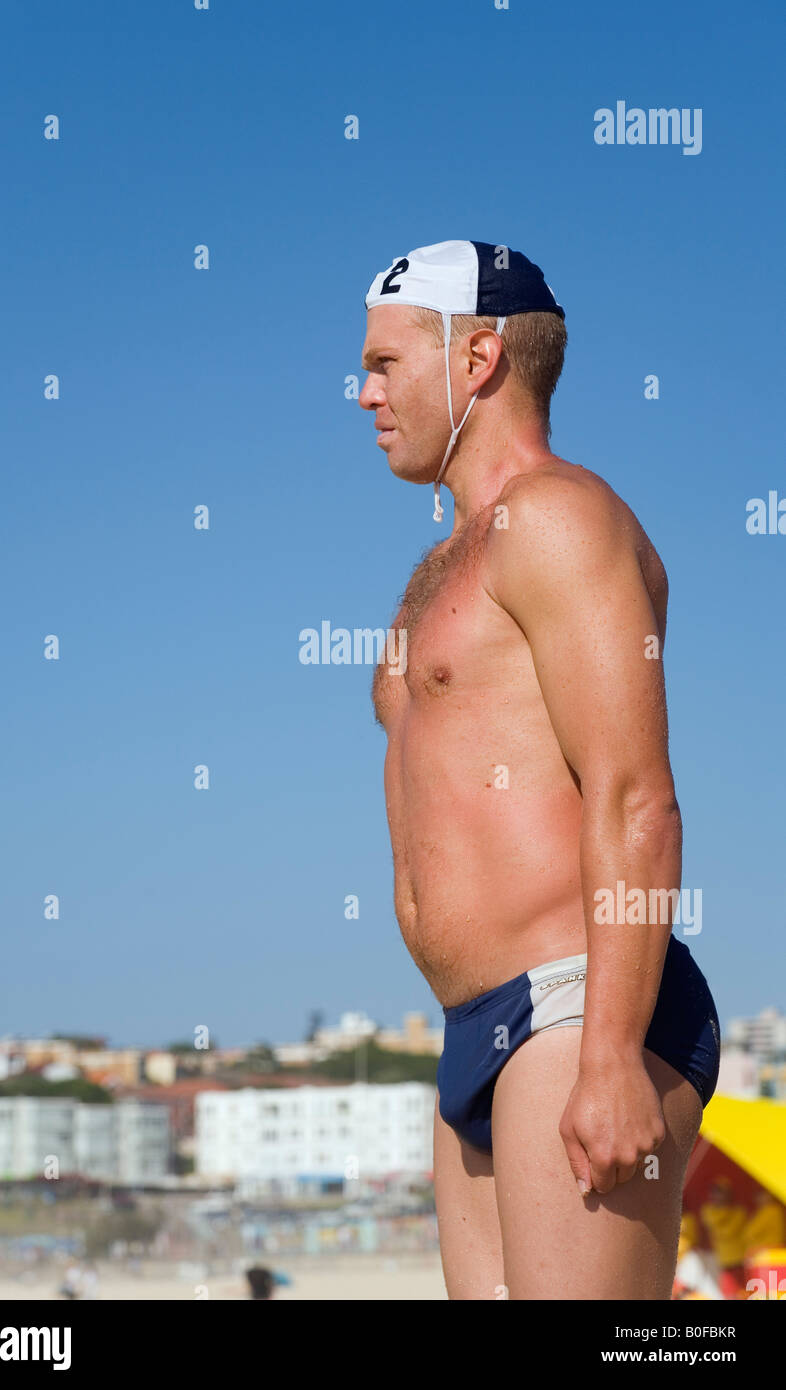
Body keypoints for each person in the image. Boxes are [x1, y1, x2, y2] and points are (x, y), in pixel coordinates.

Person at [359, 240, 721, 1300]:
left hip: (575, 1007)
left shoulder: (560, 521)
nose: (364, 392)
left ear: (475, 359)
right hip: (476, 1028)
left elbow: (634, 794)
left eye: (385, 364)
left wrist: (608, 1049)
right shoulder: (445, 560)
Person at [699, 1177, 747, 1297]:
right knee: (725, 1294)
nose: (716, 1195)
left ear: (729, 1194)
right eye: (714, 1192)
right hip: (718, 1260)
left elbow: (727, 1232)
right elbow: (709, 1219)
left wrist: (716, 1225)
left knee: (742, 1293)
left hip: (739, 1260)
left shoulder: (739, 1211)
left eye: (720, 1192)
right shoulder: (708, 1210)